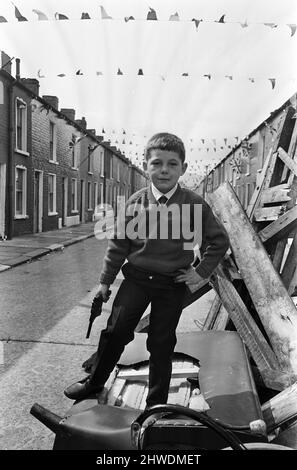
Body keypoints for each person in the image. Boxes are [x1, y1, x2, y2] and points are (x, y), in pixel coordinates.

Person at [64, 132, 229, 405]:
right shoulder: (135, 203)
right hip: (136, 281)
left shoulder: (195, 205)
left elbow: (219, 241)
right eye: (157, 163)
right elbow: (118, 245)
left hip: (171, 285)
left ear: (183, 168)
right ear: (145, 165)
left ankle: (156, 404)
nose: (164, 170)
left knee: (162, 343)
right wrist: (105, 282)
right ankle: (94, 383)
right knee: (115, 332)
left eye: (172, 164)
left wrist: (200, 272)